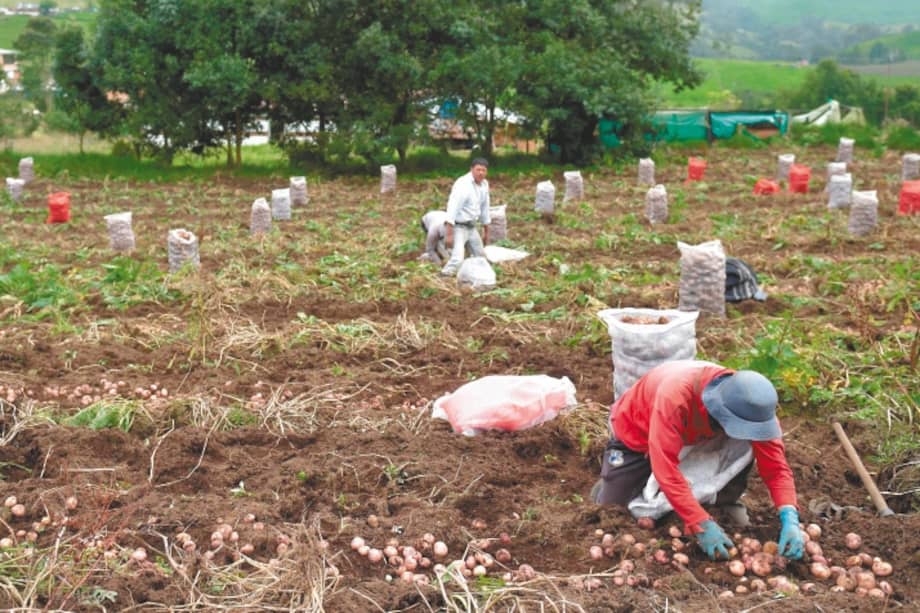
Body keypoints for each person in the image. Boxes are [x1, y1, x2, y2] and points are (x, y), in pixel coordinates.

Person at [591, 360, 804, 561]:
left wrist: (789, 516)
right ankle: (617, 482)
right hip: (639, 433)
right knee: (613, 505)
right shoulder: (674, 398)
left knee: (745, 446)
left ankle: (723, 501)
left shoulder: (755, 411)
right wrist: (699, 523)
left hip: (696, 434)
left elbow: (776, 468)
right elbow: (665, 466)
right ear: (719, 411)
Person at [440, 158, 491, 277]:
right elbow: (453, 207)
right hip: (458, 227)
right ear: (471, 169)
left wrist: (487, 231)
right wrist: (449, 233)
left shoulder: (484, 185)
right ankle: (444, 277)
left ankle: (478, 279)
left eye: (483, 170)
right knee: (457, 259)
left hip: (472, 227)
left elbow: (485, 207)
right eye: (478, 170)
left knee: (481, 256)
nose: (481, 173)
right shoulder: (463, 184)